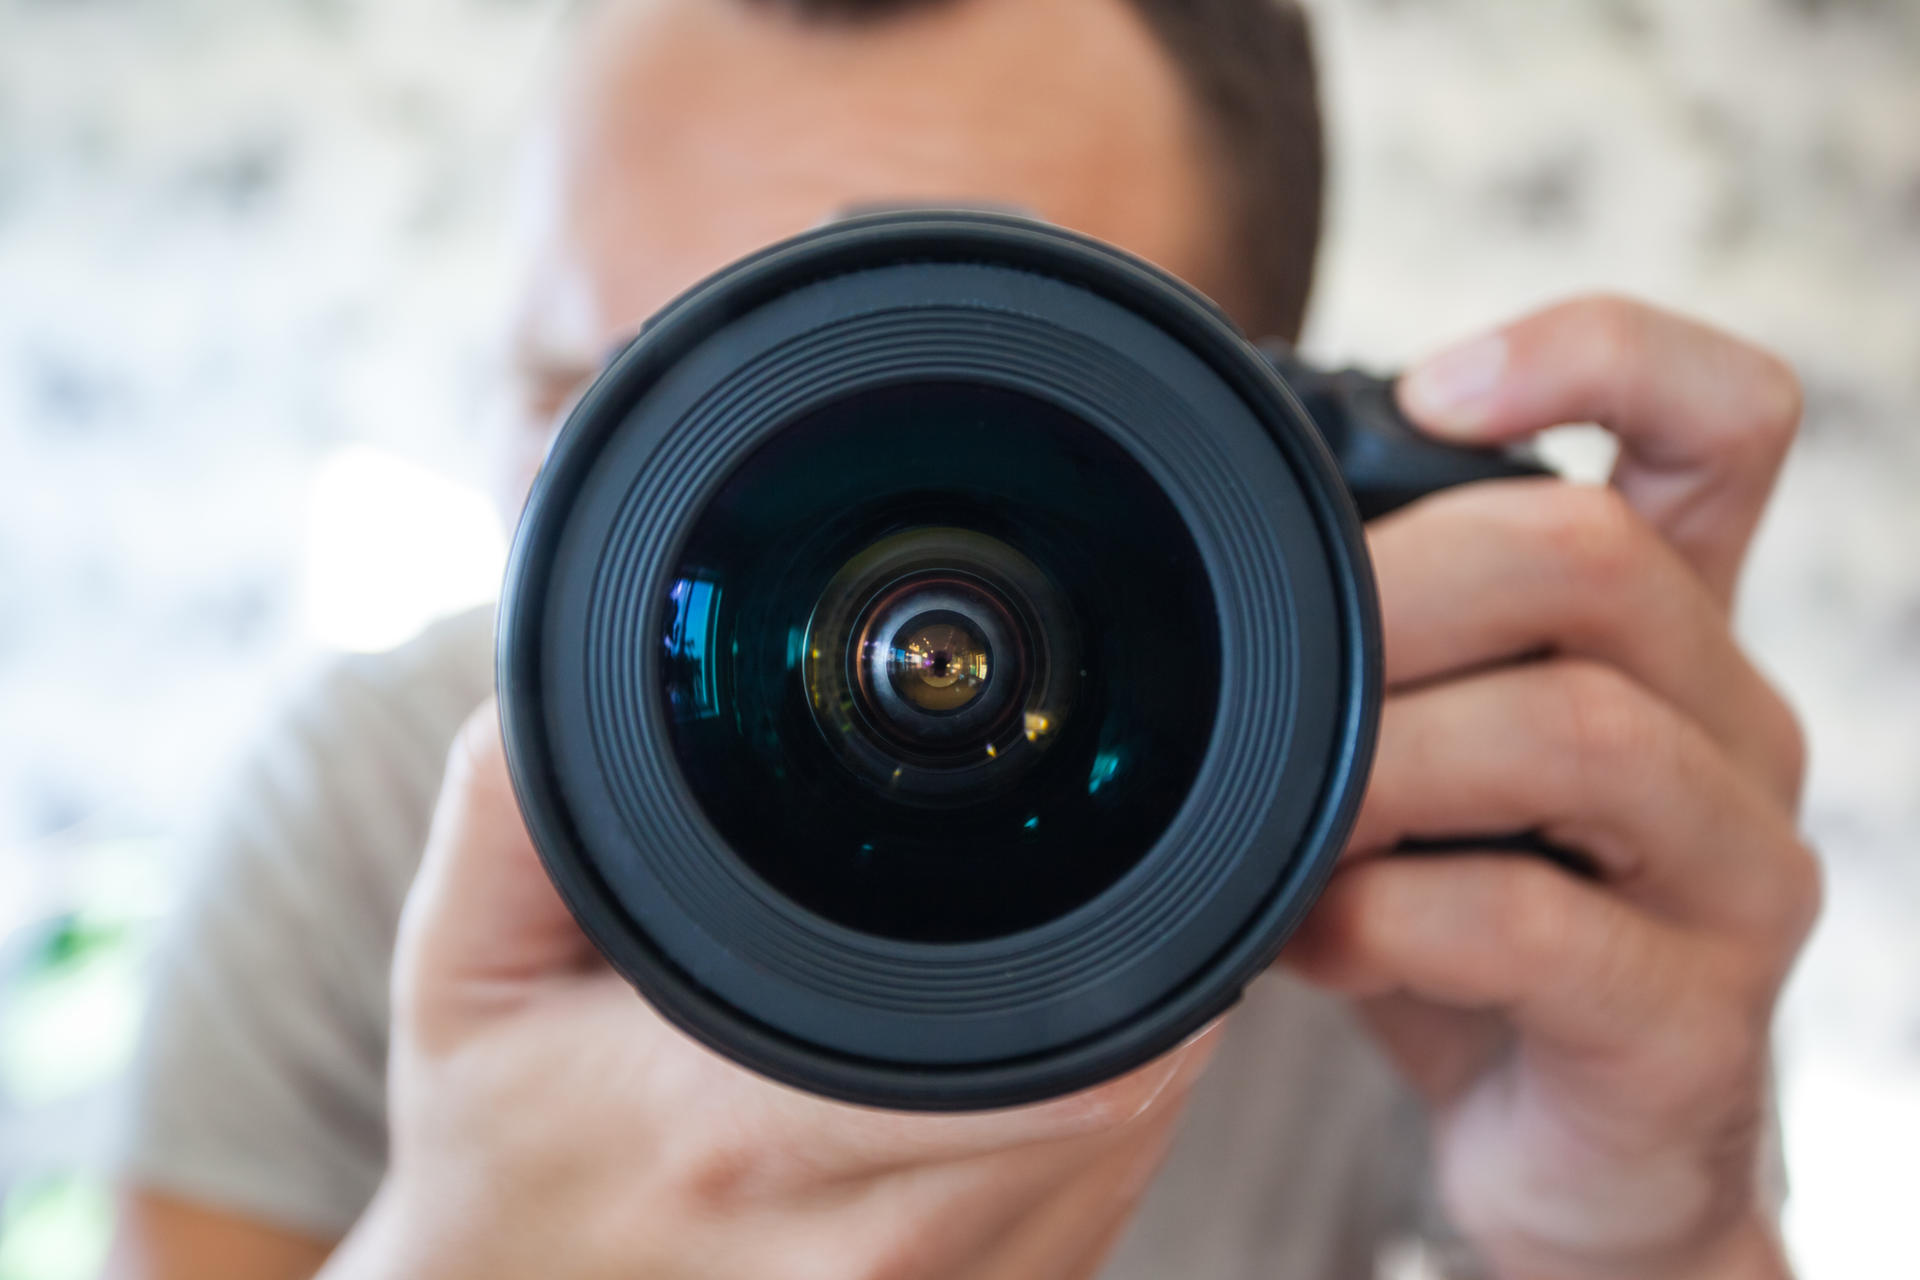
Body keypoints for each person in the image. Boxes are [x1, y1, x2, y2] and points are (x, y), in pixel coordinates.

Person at [105, 0, 1819, 1277]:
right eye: (601, 398)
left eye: (940, 420)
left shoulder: (1428, 863)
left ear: (1255, 447)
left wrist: (1653, 1240)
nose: (684, 499)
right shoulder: (363, 804)